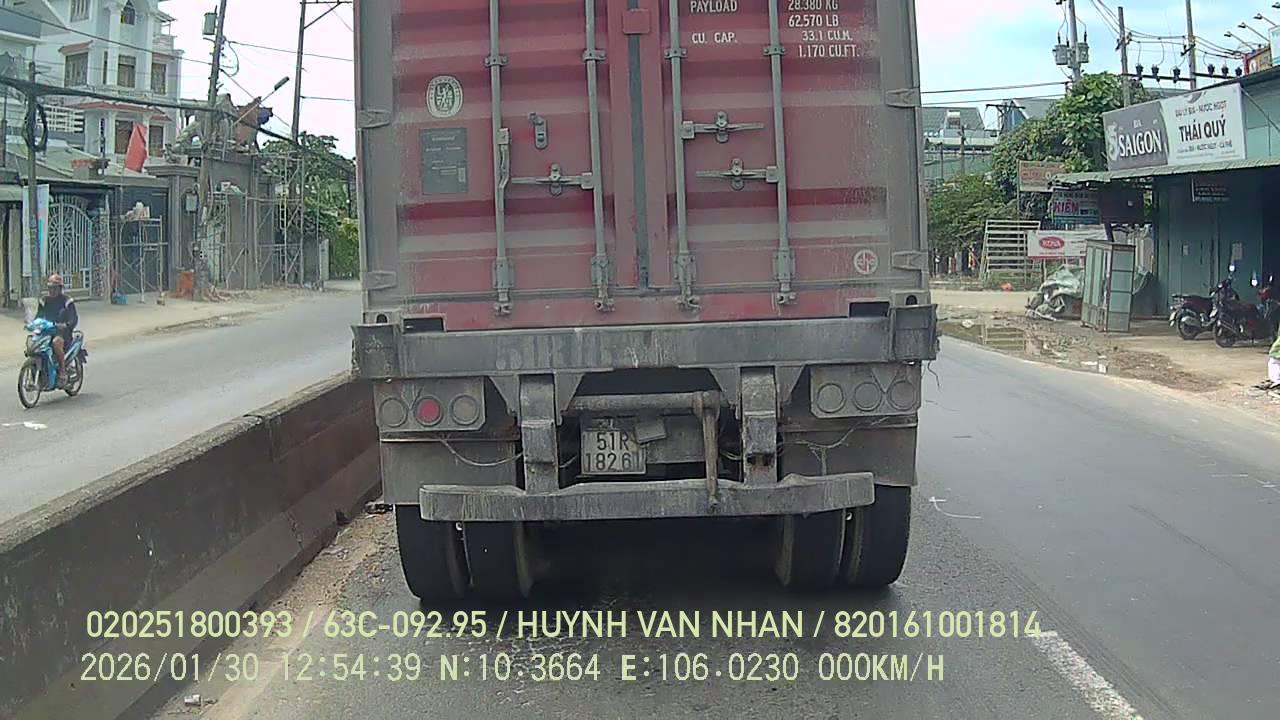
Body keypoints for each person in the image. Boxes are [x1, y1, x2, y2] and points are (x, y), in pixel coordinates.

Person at [36, 274, 78, 385]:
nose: (52, 290)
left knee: (56, 342)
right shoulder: (44, 300)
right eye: (50, 288)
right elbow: (38, 316)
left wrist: (66, 325)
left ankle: (63, 371)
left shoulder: (67, 301)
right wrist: (34, 324)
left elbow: (74, 318)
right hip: (47, 331)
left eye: (55, 288)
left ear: (60, 288)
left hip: (62, 333)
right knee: (34, 343)